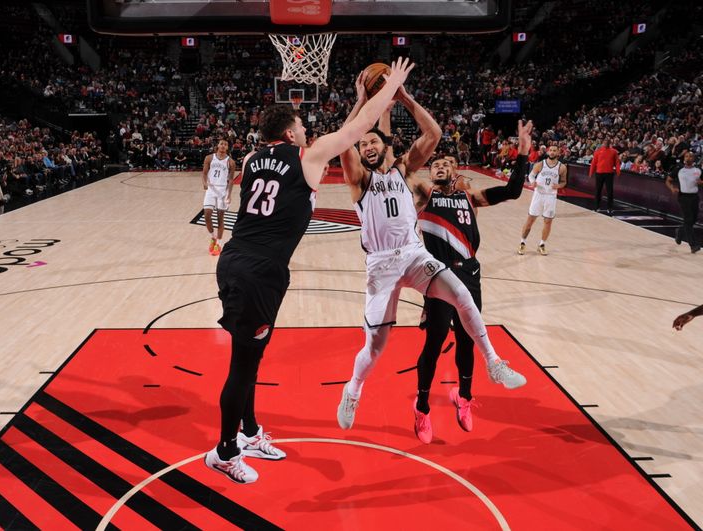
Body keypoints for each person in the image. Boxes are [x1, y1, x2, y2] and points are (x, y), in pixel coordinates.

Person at [204, 57, 416, 485]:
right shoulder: (304, 156)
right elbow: (352, 136)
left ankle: (247, 433)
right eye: (302, 127)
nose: (307, 132)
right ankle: (224, 452)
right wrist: (386, 90)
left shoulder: (252, 159)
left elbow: (338, 139)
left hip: (240, 261)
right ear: (289, 134)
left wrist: (359, 100)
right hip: (258, 271)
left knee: (253, 355)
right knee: (243, 365)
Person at [335, 74, 526, 433]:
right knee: (375, 348)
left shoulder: (405, 171)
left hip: (413, 254)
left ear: (386, 147)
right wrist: (361, 100)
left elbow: (434, 135)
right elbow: (345, 141)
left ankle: (494, 361)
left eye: (374, 140)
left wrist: (405, 97)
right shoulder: (360, 180)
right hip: (381, 267)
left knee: (463, 295)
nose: (368, 145)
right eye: (364, 144)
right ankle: (353, 389)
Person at [413, 121, 532, 443]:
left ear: (456, 170)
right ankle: (422, 407)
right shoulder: (423, 194)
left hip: (469, 272)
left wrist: (522, 152)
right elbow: (403, 171)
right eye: (435, 164)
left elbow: (512, 191)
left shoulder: (470, 197)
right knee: (435, 343)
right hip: (436, 275)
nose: (440, 166)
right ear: (430, 172)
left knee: (467, 341)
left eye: (446, 163)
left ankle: (463, 398)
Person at [518, 144, 567, 255]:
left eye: (555, 150)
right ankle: (522, 243)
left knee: (548, 221)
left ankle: (542, 244)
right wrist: (532, 182)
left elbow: (564, 182)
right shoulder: (540, 164)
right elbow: (531, 175)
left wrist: (559, 186)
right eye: (551, 150)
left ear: (558, 153)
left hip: (551, 196)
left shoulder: (562, 167)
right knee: (530, 220)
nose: (552, 152)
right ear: (548, 152)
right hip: (538, 195)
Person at [202, 139, 236, 256]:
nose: (223, 145)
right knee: (207, 215)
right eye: (221, 143)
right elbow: (205, 173)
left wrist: (229, 194)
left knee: (220, 218)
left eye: (225, 144)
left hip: (222, 190)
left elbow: (231, 180)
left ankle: (219, 244)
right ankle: (213, 237)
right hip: (211, 189)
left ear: (227, 148)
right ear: (218, 145)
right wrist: (204, 183)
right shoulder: (209, 158)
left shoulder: (230, 162)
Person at [665, 151, 701, 254]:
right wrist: (672, 188)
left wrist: (701, 182)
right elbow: (668, 180)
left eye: (690, 156)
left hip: (694, 197)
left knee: (693, 220)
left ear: (694, 158)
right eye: (686, 156)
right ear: (684, 158)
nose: (688, 158)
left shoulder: (698, 170)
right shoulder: (679, 169)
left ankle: (680, 231)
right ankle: (693, 245)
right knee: (689, 219)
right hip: (683, 197)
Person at [589, 137, 620, 215]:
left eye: (607, 142)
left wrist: (618, 171)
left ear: (610, 143)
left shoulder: (614, 152)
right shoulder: (598, 151)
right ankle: (596, 207)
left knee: (610, 192)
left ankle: (610, 208)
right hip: (599, 173)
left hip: (609, 174)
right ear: (603, 143)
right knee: (598, 191)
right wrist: (591, 172)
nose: (606, 143)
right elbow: (594, 163)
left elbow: (617, 162)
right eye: (605, 142)